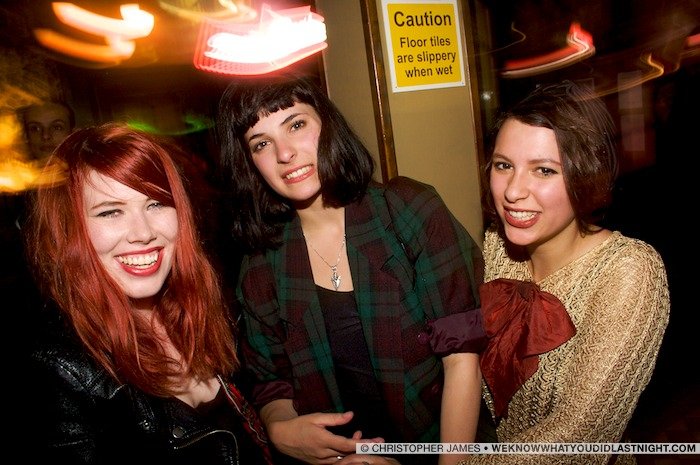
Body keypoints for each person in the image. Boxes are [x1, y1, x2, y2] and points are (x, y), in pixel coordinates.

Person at [216, 74, 487, 465]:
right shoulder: (261, 265)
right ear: (249, 163)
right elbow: (271, 383)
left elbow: (462, 357)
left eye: (296, 124)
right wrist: (280, 429)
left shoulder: (407, 210)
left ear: (327, 123)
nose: (285, 153)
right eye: (261, 143)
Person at [23, 123, 273, 465]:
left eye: (156, 204)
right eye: (110, 211)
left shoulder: (210, 309)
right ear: (69, 230)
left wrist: (280, 424)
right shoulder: (59, 373)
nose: (143, 233)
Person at [455, 81, 670, 465]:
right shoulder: (496, 247)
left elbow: (579, 436)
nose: (513, 191)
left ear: (584, 175)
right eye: (504, 166)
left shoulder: (629, 271)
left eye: (544, 170)